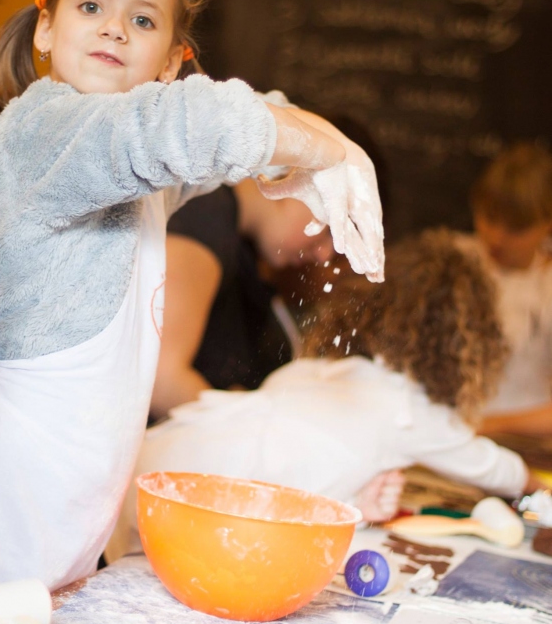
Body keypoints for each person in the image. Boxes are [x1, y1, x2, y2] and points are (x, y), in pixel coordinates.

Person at [0, 0, 385, 603]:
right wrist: (324, 144)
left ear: (169, 63)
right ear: (46, 27)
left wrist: (293, 135)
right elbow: (174, 128)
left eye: (142, 19)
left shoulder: (144, 166)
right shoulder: (41, 131)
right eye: (90, 7)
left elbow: (202, 145)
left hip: (76, 488)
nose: (113, 29)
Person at [107, 229, 538, 563]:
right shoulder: (408, 409)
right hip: (197, 514)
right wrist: (540, 495)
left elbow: (299, 462)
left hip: (142, 471)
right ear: (464, 343)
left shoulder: (312, 369)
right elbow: (502, 473)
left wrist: (358, 501)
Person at [149, 172, 334, 420]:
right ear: (291, 174)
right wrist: (254, 429)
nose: (326, 255)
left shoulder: (232, 236)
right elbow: (160, 379)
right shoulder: (204, 214)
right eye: (332, 225)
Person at [455, 143, 552, 438]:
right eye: (489, 218)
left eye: (516, 229)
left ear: (547, 224)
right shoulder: (450, 262)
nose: (497, 238)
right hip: (445, 436)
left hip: (526, 444)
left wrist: (488, 426)